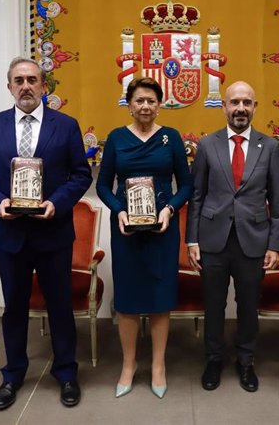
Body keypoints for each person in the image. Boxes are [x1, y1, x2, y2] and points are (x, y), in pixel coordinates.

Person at [0, 57, 92, 410]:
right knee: (15, 307)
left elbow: (81, 175)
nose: (25, 86)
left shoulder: (65, 126)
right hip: (10, 234)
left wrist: (57, 202)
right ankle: (13, 374)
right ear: (9, 87)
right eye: (18, 80)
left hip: (53, 232)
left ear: (44, 86)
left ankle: (67, 373)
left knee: (60, 306)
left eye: (32, 80)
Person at [96, 77, 192, 399]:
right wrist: (119, 210)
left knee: (159, 298)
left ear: (160, 103)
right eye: (139, 100)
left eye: (151, 100)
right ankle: (128, 364)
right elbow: (103, 185)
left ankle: (158, 366)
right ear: (129, 103)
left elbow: (187, 185)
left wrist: (170, 210)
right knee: (128, 300)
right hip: (126, 230)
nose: (146, 106)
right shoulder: (116, 138)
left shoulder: (171, 138)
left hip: (162, 230)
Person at [186, 81, 279, 393]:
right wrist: (192, 240)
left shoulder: (269, 146)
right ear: (224, 106)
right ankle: (214, 358)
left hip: (253, 240)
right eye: (234, 102)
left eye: (246, 102)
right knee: (213, 304)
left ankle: (246, 360)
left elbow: (278, 201)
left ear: (255, 107)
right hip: (213, 239)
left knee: (247, 305)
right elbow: (197, 196)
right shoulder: (207, 144)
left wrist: (275, 244)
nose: (240, 108)